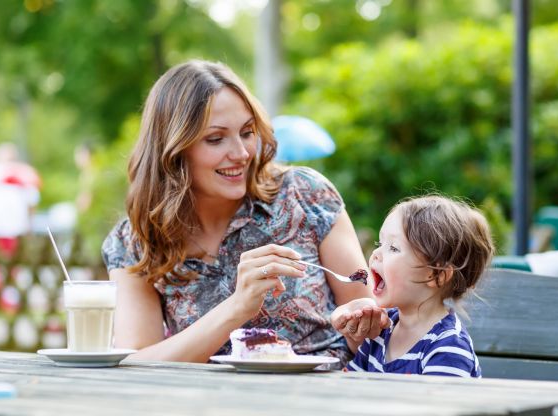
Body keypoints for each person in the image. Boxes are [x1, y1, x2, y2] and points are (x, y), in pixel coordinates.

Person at [101, 60, 388, 366]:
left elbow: (373, 326)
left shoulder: (305, 194)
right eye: (215, 138)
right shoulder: (136, 240)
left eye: (247, 132)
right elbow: (136, 363)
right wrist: (237, 307)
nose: (241, 153)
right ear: (172, 149)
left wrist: (364, 327)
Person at [332, 195, 494, 377]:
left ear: (437, 275)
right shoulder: (380, 331)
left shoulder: (447, 347)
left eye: (393, 248)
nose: (376, 253)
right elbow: (348, 387)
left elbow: (440, 405)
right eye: (380, 243)